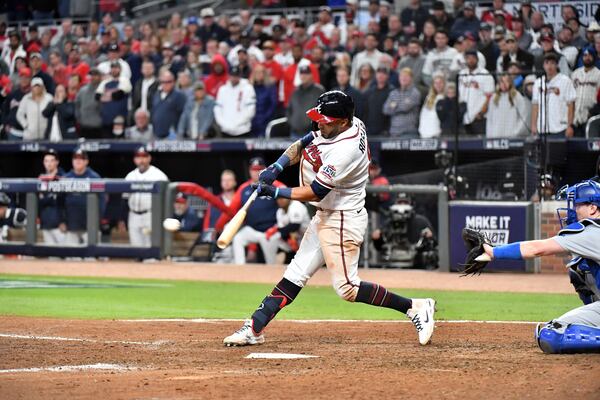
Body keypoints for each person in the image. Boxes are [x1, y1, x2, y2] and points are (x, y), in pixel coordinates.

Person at [223, 90, 436, 347]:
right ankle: (255, 327)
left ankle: (416, 307)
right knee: (296, 273)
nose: (319, 123)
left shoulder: (345, 150)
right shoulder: (341, 124)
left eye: (325, 120)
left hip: (342, 219)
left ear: (342, 122)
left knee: (347, 288)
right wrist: (277, 166)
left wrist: (276, 191)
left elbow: (316, 191)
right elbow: (304, 142)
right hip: (326, 214)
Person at [475, 180, 600, 354]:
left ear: (593, 209)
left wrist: (493, 252)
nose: (572, 210)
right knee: (579, 271)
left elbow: (537, 249)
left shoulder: (590, 231)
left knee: (552, 335)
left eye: (577, 205)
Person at [216, 157, 282, 265]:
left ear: (265, 170)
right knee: (238, 238)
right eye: (254, 169)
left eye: (259, 169)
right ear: (249, 171)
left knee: (272, 264)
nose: (256, 172)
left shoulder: (275, 185)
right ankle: (240, 270)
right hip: (252, 230)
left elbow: (289, 200)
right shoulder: (244, 188)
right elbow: (231, 211)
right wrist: (218, 227)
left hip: (270, 231)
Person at [123, 147, 168, 247]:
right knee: (136, 249)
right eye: (138, 157)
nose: (141, 160)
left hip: (150, 215)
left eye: (144, 157)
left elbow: (166, 199)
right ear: (134, 160)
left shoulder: (159, 175)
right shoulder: (130, 176)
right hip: (133, 215)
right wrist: (123, 219)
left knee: (150, 249)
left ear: (149, 158)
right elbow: (125, 199)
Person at [63, 149, 105, 246]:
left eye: (81, 159)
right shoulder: (66, 178)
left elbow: (102, 202)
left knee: (91, 257)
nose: (78, 161)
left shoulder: (95, 178)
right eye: (75, 158)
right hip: (71, 226)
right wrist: (62, 221)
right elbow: (61, 202)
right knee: (71, 258)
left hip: (90, 226)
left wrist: (97, 221)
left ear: (86, 161)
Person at [531, 53, 576, 137]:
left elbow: (571, 105)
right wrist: (533, 125)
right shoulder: (538, 83)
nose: (549, 66)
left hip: (561, 128)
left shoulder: (565, 81)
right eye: (547, 63)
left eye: (552, 63)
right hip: (542, 129)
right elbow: (535, 105)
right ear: (543, 65)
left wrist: (570, 126)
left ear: (557, 65)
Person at [458, 50, 495, 136]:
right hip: (464, 116)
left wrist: (481, 113)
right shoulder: (461, 74)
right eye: (468, 58)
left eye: (473, 58)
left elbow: (490, 96)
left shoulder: (485, 74)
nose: (470, 60)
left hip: (479, 117)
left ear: (477, 59)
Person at [265, 197, 311, 264]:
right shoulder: (279, 211)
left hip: (309, 238)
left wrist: (276, 229)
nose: (280, 200)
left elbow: (295, 226)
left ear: (289, 198)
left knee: (308, 263)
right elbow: (283, 231)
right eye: (278, 198)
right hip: (296, 238)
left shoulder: (296, 205)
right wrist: (290, 241)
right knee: (275, 237)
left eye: (283, 198)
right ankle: (274, 265)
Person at [214, 66, 256, 137]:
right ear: (229, 76)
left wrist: (237, 124)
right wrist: (224, 124)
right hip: (226, 130)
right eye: (232, 75)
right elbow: (217, 109)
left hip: (243, 130)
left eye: (236, 75)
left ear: (240, 76)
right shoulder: (222, 90)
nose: (234, 78)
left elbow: (251, 111)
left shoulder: (248, 88)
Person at [486, 74, 530, 138]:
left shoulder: (517, 96)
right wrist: (489, 136)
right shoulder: (494, 97)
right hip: (496, 136)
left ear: (510, 82)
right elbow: (490, 119)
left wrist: (515, 132)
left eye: (506, 81)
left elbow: (523, 117)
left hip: (511, 136)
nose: (504, 84)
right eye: (502, 81)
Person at [286, 65, 325, 138]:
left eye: (306, 74)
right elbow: (289, 109)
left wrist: (313, 125)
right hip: (294, 132)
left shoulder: (319, 90)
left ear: (311, 75)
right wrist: (292, 122)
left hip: (311, 132)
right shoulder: (295, 91)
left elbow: (323, 110)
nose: (303, 76)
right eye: (302, 74)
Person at [95, 62, 131, 138]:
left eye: (116, 68)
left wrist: (106, 95)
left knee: (120, 143)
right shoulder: (105, 82)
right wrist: (111, 95)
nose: (114, 70)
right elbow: (97, 96)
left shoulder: (124, 80)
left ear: (120, 69)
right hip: (106, 119)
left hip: (119, 119)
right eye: (112, 68)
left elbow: (118, 95)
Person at [38, 149, 66, 245]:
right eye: (46, 161)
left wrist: (64, 221)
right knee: (52, 257)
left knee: (68, 255)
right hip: (46, 223)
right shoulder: (41, 178)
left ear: (57, 162)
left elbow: (66, 202)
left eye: (51, 160)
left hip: (60, 225)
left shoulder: (63, 178)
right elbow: (39, 202)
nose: (49, 164)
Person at [383, 68, 421, 137]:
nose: (404, 78)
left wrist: (394, 105)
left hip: (409, 132)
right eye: (402, 76)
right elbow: (386, 110)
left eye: (406, 76)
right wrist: (401, 103)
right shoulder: (393, 93)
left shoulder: (415, 92)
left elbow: (405, 108)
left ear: (411, 79)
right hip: (394, 132)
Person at [571, 48, 600, 137]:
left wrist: (594, 111)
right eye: (585, 55)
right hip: (575, 116)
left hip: (591, 115)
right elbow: (570, 95)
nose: (587, 58)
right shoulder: (575, 74)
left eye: (590, 55)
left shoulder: (598, 74)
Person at [151, 70, 187, 139]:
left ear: (173, 82)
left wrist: (180, 132)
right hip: (157, 134)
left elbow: (184, 115)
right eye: (163, 82)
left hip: (172, 135)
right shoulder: (156, 94)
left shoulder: (179, 95)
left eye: (169, 82)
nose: (166, 84)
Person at [2, 67, 31, 140]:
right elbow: (5, 111)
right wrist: (6, 124)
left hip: (29, 132)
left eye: (26, 78)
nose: (24, 80)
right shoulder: (13, 94)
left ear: (30, 79)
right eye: (22, 77)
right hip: (13, 132)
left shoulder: (32, 95)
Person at [250, 64, 277, 137]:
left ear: (264, 74)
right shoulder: (249, 88)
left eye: (261, 72)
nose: (258, 74)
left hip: (266, 122)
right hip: (251, 122)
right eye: (256, 72)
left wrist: (264, 118)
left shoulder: (270, 87)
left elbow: (273, 105)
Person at [75, 68, 103, 139]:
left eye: (96, 75)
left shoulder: (103, 89)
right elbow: (77, 105)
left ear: (100, 76)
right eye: (91, 75)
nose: (93, 77)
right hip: (84, 126)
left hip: (100, 127)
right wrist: (79, 119)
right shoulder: (82, 90)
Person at [364, 66, 392, 136]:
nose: (381, 75)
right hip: (370, 130)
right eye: (379, 73)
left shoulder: (392, 91)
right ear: (375, 75)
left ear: (387, 76)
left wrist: (387, 129)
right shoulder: (369, 92)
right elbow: (365, 111)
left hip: (385, 131)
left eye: (384, 73)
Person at [419, 74, 446, 138]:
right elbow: (423, 115)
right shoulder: (429, 97)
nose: (438, 85)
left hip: (438, 133)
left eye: (440, 82)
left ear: (444, 84)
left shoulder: (446, 97)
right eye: (436, 83)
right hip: (425, 133)